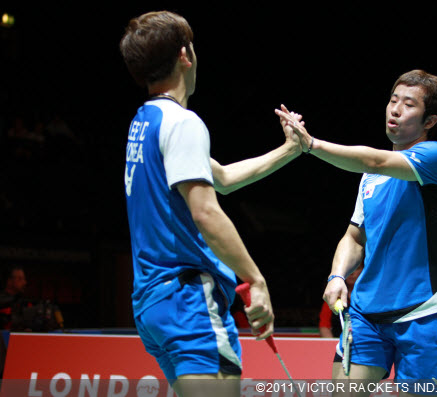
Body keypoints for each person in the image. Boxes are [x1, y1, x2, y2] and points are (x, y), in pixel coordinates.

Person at [119, 11, 303, 396]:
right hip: (187, 298)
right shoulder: (183, 123)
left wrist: (290, 149)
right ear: (186, 55)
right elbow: (205, 211)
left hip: (152, 304)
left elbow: (222, 179)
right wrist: (256, 279)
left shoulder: (146, 122)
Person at [277, 69, 437, 395]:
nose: (395, 109)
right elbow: (354, 237)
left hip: (422, 310)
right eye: (393, 100)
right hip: (366, 313)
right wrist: (336, 277)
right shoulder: (370, 179)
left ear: (429, 121)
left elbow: (373, 160)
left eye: (409, 105)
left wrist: (312, 144)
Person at [319, 263, 362, 338]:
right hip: (337, 345)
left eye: (356, 268)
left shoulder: (369, 297)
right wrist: (332, 345)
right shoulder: (334, 295)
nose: (352, 273)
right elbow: (324, 326)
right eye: (349, 269)